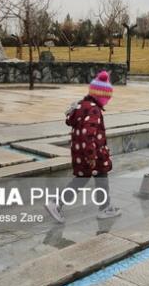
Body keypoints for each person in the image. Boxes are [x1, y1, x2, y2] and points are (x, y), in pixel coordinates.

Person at [45, 70, 121, 223]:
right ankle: (58, 203)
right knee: (95, 179)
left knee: (90, 179)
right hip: (92, 154)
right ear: (102, 96)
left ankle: (102, 207)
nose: (107, 101)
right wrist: (92, 156)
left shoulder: (82, 105)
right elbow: (88, 134)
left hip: (80, 152)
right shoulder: (94, 110)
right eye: (107, 98)